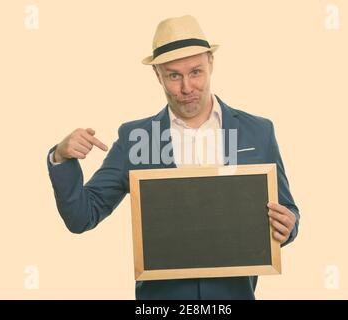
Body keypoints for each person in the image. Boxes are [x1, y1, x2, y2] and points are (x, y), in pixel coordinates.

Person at [47, 15, 300, 300]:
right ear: (158, 75)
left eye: (195, 72)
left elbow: (288, 211)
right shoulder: (135, 139)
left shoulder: (258, 131)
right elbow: (82, 217)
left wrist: (289, 226)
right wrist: (61, 157)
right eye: (174, 75)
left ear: (211, 64)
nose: (187, 87)